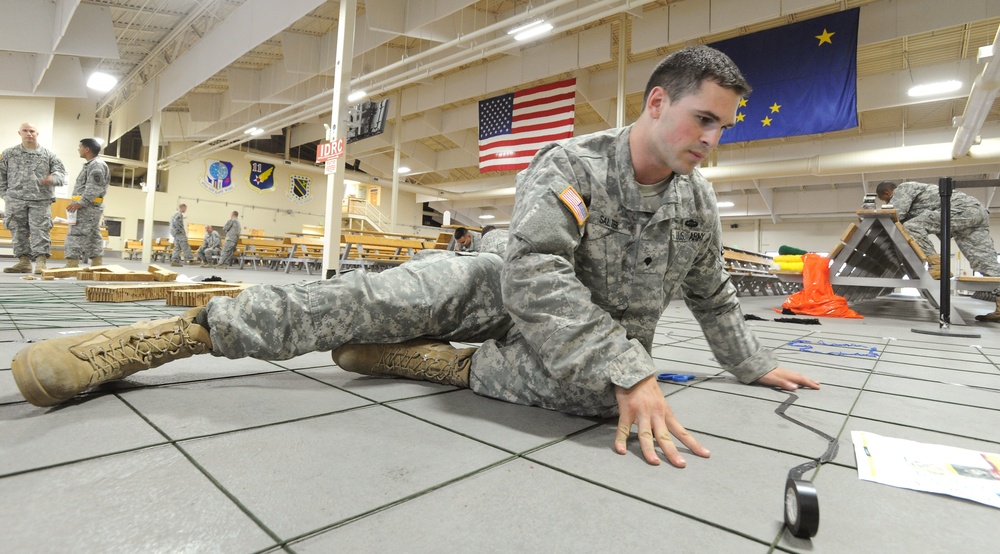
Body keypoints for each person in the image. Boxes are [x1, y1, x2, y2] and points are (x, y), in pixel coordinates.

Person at [11, 46, 818, 468]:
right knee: (357, 301)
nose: (713, 142)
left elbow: (713, 292)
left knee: (605, 400)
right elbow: (534, 275)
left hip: (575, 335)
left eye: (724, 129)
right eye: (705, 121)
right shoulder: (572, 165)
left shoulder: (695, 201)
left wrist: (750, 363)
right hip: (495, 285)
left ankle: (438, 367)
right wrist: (629, 368)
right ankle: (178, 336)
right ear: (657, 104)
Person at [876, 180, 1000, 322]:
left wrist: (880, 212)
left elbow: (897, 213)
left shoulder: (903, 188)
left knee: (912, 226)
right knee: (985, 262)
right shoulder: (918, 195)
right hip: (974, 212)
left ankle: (938, 266)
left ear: (887, 193)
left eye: (885, 200)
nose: (887, 202)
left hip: (960, 209)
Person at [0, 123, 67, 274]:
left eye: (32, 131)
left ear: (37, 133)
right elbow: (1, 176)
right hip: (15, 199)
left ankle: (41, 262)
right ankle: (24, 262)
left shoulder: (49, 155)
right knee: (18, 231)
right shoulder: (9, 154)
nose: (29, 134)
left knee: (41, 230)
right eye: (25, 131)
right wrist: (6, 195)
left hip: (40, 200)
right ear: (20, 133)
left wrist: (53, 178)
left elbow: (61, 174)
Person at [62, 138, 110, 268]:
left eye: (80, 147)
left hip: (87, 207)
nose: (79, 149)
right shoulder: (93, 164)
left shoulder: (96, 165)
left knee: (75, 234)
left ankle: (71, 264)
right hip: (90, 206)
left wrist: (81, 203)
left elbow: (94, 187)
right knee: (93, 235)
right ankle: (97, 263)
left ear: (87, 149)